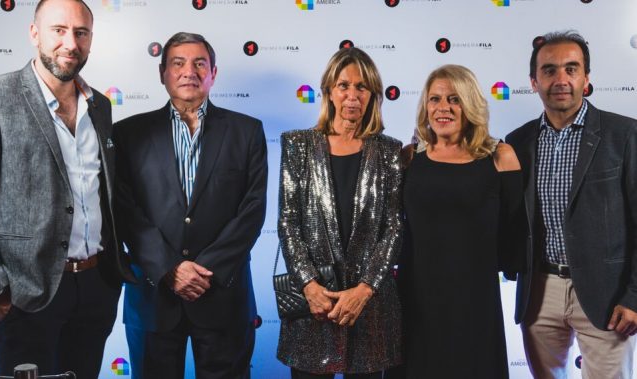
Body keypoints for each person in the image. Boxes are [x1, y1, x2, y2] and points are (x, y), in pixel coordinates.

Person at [0, 0, 135, 377]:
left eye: (81, 33)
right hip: (27, 293)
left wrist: (108, 281)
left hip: (95, 287)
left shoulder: (99, 105)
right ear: (34, 33)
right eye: (59, 30)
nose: (70, 43)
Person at [113, 32, 267, 379]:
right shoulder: (128, 134)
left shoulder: (247, 132)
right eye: (178, 63)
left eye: (200, 63)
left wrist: (205, 270)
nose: (189, 72)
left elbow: (252, 210)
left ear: (213, 72)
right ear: (162, 72)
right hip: (153, 298)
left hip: (223, 297)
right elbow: (125, 211)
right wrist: (170, 268)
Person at [506, 30, 637, 378]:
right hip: (539, 292)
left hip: (608, 295)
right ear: (534, 81)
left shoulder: (624, 135)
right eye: (549, 70)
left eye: (571, 68)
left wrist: (634, 295)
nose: (560, 79)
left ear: (586, 78)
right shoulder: (518, 142)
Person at [277, 47, 403, 379]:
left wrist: (365, 288)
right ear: (329, 91)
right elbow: (288, 222)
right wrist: (308, 285)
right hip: (315, 306)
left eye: (362, 87)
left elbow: (393, 228)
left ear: (373, 95)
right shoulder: (298, 145)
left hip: (369, 306)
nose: (352, 95)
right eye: (344, 85)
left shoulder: (389, 151)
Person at [400, 64, 522, 378]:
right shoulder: (408, 157)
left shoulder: (500, 157)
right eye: (435, 99)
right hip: (416, 301)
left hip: (475, 302)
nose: (443, 108)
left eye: (454, 99)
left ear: (470, 104)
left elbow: (514, 232)